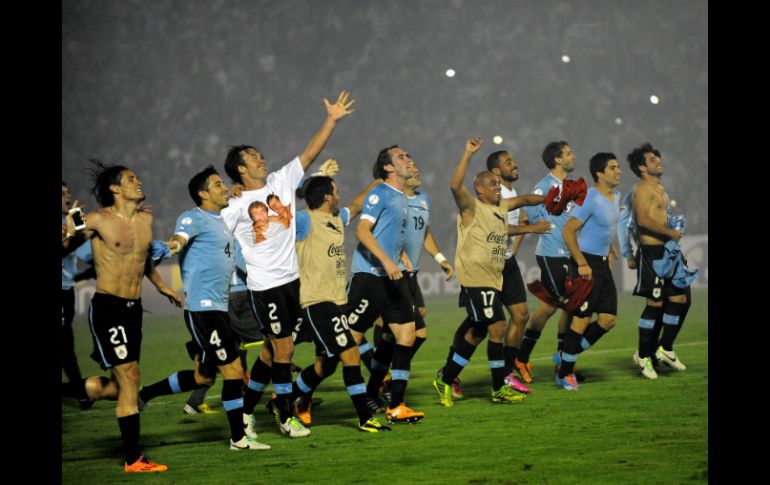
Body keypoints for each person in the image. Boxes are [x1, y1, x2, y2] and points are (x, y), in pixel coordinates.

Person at [221, 90, 355, 438]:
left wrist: (331, 120)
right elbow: (210, 225)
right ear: (240, 169)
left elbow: (310, 153)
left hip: (292, 282)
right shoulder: (235, 207)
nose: (261, 158)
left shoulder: (281, 181)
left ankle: (248, 411)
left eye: (260, 154)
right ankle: (284, 416)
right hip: (265, 286)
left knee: (269, 352)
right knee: (284, 349)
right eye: (253, 157)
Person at [136, 166, 271, 450]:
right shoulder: (192, 217)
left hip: (219, 309)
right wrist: (170, 247)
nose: (224, 187)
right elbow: (179, 240)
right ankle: (238, 438)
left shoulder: (220, 221)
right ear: (202, 194)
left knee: (203, 377)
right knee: (234, 371)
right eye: (217, 184)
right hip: (203, 310)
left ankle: (146, 394)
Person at [70, 160, 181, 472]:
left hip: (134, 311)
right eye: (132, 179)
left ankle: (71, 391)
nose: (139, 181)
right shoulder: (96, 219)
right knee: (130, 377)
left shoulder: (146, 219)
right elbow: (67, 237)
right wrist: (70, 219)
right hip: (109, 307)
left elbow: (142, 259)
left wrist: (162, 287)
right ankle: (133, 459)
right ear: (115, 188)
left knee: (120, 387)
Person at [432, 137, 544, 406]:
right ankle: (498, 387)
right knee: (498, 325)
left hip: (492, 279)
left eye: (498, 184)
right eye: (492, 184)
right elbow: (453, 185)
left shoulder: (500, 208)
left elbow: (526, 199)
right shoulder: (471, 207)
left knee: (476, 333)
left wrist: (551, 200)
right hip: (475, 279)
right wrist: (467, 154)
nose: (498, 188)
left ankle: (446, 378)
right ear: (479, 189)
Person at [289, 172, 390, 432]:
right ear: (326, 197)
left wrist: (380, 183)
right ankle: (365, 418)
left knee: (325, 366)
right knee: (351, 355)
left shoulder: (335, 220)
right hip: (317, 302)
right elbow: (282, 217)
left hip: (336, 302)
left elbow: (356, 205)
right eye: (335, 191)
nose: (339, 195)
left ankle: (286, 398)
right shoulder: (305, 220)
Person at [346, 144, 425, 424]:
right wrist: (386, 261)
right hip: (370, 276)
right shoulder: (380, 193)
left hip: (393, 276)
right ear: (389, 167)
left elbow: (390, 232)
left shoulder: (402, 196)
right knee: (346, 343)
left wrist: (399, 255)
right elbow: (362, 230)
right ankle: (300, 393)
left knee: (407, 336)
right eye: (401, 156)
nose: (408, 158)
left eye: (408, 154)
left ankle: (397, 405)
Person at [514, 141, 582, 383]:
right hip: (552, 254)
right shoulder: (544, 188)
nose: (573, 156)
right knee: (571, 306)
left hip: (572, 254)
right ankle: (561, 364)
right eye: (569, 153)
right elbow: (528, 219)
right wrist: (514, 249)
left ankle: (525, 358)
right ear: (557, 160)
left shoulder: (573, 187)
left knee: (550, 308)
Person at [624, 143, 694, 379]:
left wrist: (671, 230)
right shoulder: (641, 190)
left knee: (679, 298)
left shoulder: (660, 188)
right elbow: (643, 220)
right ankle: (644, 356)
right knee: (654, 305)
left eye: (658, 158)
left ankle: (665, 349)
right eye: (652, 159)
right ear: (642, 168)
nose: (658, 161)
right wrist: (670, 233)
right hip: (652, 254)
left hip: (667, 252)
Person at [556, 153, 622, 390]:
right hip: (585, 265)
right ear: (600, 173)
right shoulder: (589, 198)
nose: (619, 171)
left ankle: (566, 356)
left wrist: (610, 249)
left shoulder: (616, 197)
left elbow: (604, 227)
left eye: (618, 167)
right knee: (581, 320)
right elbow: (568, 231)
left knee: (607, 319)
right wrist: (582, 263)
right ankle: (565, 374)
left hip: (602, 264)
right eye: (613, 168)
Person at [61, 182, 95, 409]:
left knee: (67, 343)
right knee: (64, 343)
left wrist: (79, 225)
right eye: (62, 193)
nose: (67, 195)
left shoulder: (69, 220)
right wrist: (74, 230)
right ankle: (79, 390)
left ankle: (79, 390)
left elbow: (82, 248)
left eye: (68, 192)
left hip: (66, 290)